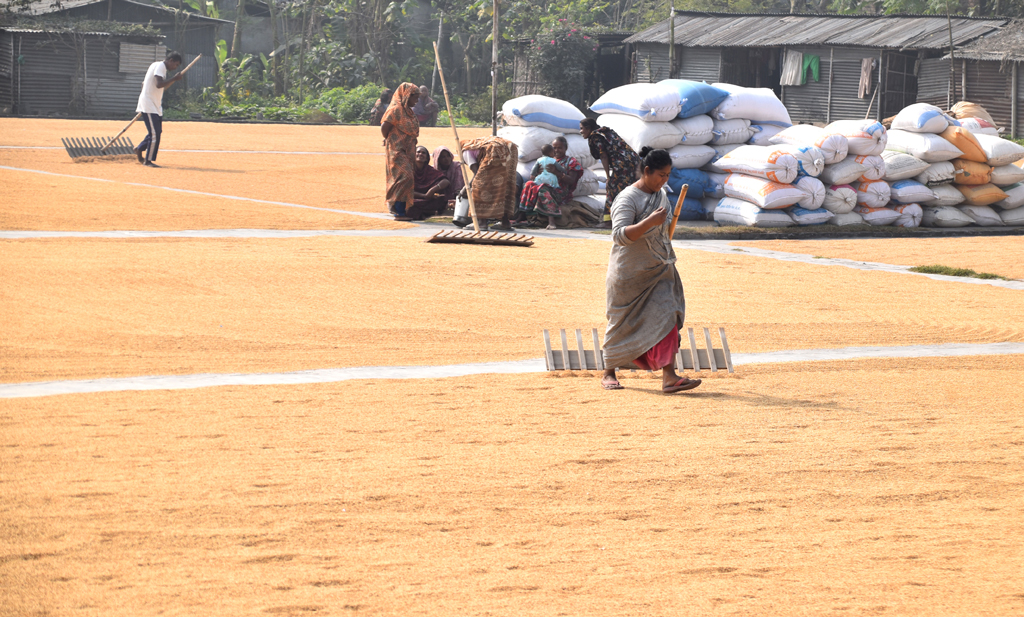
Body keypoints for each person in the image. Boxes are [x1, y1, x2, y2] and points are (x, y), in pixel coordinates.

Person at [601, 147, 701, 394]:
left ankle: (669, 377)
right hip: (629, 274)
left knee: (668, 314)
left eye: (668, 175)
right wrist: (648, 223)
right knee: (620, 322)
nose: (664, 180)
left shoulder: (661, 195)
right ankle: (609, 371)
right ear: (646, 171)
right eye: (660, 175)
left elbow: (663, 231)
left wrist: (660, 228)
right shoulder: (627, 198)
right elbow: (619, 236)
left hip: (659, 270)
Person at [580, 118, 640, 228]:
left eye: (582, 129)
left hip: (623, 165)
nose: (580, 132)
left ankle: (609, 221)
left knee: (612, 188)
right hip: (634, 163)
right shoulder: (606, 132)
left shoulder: (595, 136)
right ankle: (633, 219)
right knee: (630, 190)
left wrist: (608, 177)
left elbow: (603, 155)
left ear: (588, 128)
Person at [515, 135, 583, 230]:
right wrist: (537, 174)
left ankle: (551, 221)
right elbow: (533, 176)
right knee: (528, 184)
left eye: (560, 148)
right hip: (542, 185)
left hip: (560, 192)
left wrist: (557, 173)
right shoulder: (544, 160)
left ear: (565, 148)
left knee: (543, 188)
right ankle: (522, 214)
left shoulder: (571, 162)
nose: (556, 150)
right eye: (554, 148)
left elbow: (571, 180)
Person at [133, 51, 183, 167]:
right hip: (149, 105)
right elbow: (159, 84)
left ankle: (140, 148)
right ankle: (148, 160)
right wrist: (174, 79)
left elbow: (145, 84)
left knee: (156, 132)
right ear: (171, 61)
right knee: (155, 133)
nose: (175, 68)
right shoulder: (160, 67)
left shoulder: (156, 65)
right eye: (175, 65)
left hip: (154, 105)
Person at [458, 136, 519, 231]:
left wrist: (465, 188)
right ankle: (505, 222)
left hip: (495, 150)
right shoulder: (478, 144)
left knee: (480, 186)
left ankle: (481, 223)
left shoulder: (465, 151)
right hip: (511, 149)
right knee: (505, 187)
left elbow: (477, 173)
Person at [381, 83, 420, 221]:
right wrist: (390, 139)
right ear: (406, 96)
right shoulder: (395, 110)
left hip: (408, 150)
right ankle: (398, 211)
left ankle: (399, 209)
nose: (416, 100)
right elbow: (384, 127)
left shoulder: (409, 112)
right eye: (414, 97)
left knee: (405, 178)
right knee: (404, 177)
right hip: (397, 150)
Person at [409, 146, 450, 219]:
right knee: (407, 205)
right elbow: (406, 191)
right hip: (413, 198)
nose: (420, 154)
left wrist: (432, 190)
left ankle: (425, 213)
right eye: (418, 152)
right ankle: (428, 212)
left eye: (423, 153)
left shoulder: (429, 170)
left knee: (441, 199)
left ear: (427, 158)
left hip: (429, 199)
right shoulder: (408, 170)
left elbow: (445, 181)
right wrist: (424, 195)